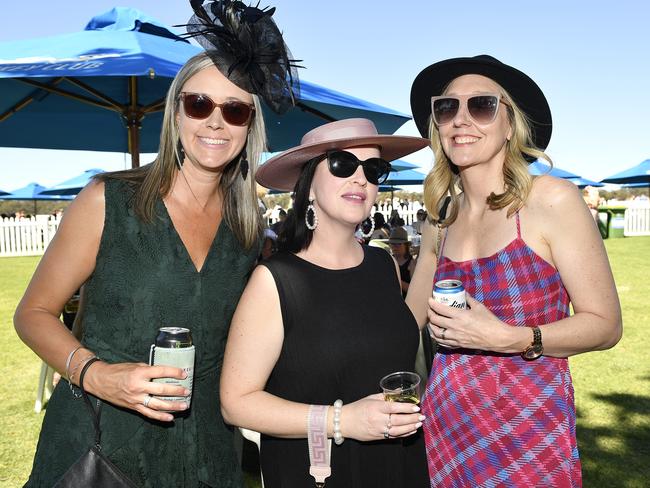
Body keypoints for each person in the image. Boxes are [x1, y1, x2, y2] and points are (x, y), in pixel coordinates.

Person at [14, 1, 299, 486]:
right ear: (176, 112)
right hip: (99, 442)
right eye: (199, 104)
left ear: (250, 127)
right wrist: (96, 374)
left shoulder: (247, 230)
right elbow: (33, 313)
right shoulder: (110, 200)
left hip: (206, 450)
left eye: (234, 110)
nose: (215, 122)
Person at [407, 55, 622, 487]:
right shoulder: (441, 217)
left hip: (529, 433)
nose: (461, 119)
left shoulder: (551, 200)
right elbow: (405, 323)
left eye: (481, 105)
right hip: (447, 431)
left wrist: (513, 338)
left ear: (511, 124)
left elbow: (606, 326)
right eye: (447, 108)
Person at [220, 118, 430, 487]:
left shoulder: (384, 266)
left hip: (398, 463)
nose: (361, 178)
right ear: (309, 186)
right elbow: (235, 402)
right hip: (320, 473)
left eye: (373, 169)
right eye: (342, 164)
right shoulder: (275, 280)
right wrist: (343, 421)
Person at [388, 226, 416, 296]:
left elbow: (413, 289)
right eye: (392, 243)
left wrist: (396, 280)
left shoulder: (412, 263)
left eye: (399, 244)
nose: (395, 246)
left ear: (406, 245)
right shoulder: (388, 260)